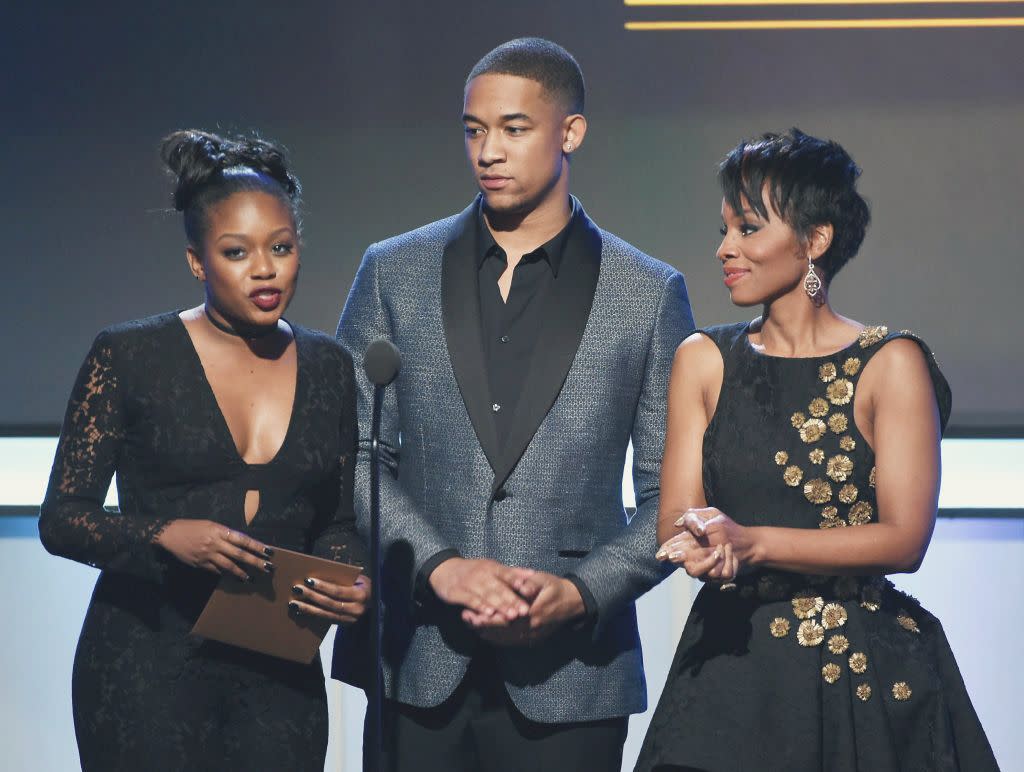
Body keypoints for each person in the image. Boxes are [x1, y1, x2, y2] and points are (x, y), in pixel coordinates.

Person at [332, 37, 695, 771]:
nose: (488, 151)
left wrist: (580, 592)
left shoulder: (649, 292)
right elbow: (356, 452)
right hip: (416, 660)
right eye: (474, 130)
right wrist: (438, 567)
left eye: (513, 128)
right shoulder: (393, 270)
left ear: (570, 133)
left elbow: (671, 498)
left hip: (573, 676)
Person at [635, 129, 998, 771]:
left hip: (861, 674)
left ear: (815, 241)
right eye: (725, 230)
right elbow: (675, 521)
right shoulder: (701, 360)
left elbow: (905, 540)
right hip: (730, 674)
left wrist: (754, 543)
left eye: (747, 229)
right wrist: (697, 545)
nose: (725, 249)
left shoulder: (891, 363)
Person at [39, 130, 370, 771]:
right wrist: (165, 534)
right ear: (198, 262)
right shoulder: (130, 356)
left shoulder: (331, 367)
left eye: (281, 247)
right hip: (146, 666)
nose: (266, 269)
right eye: (236, 252)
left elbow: (338, 521)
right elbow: (62, 518)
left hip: (278, 675)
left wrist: (349, 582)